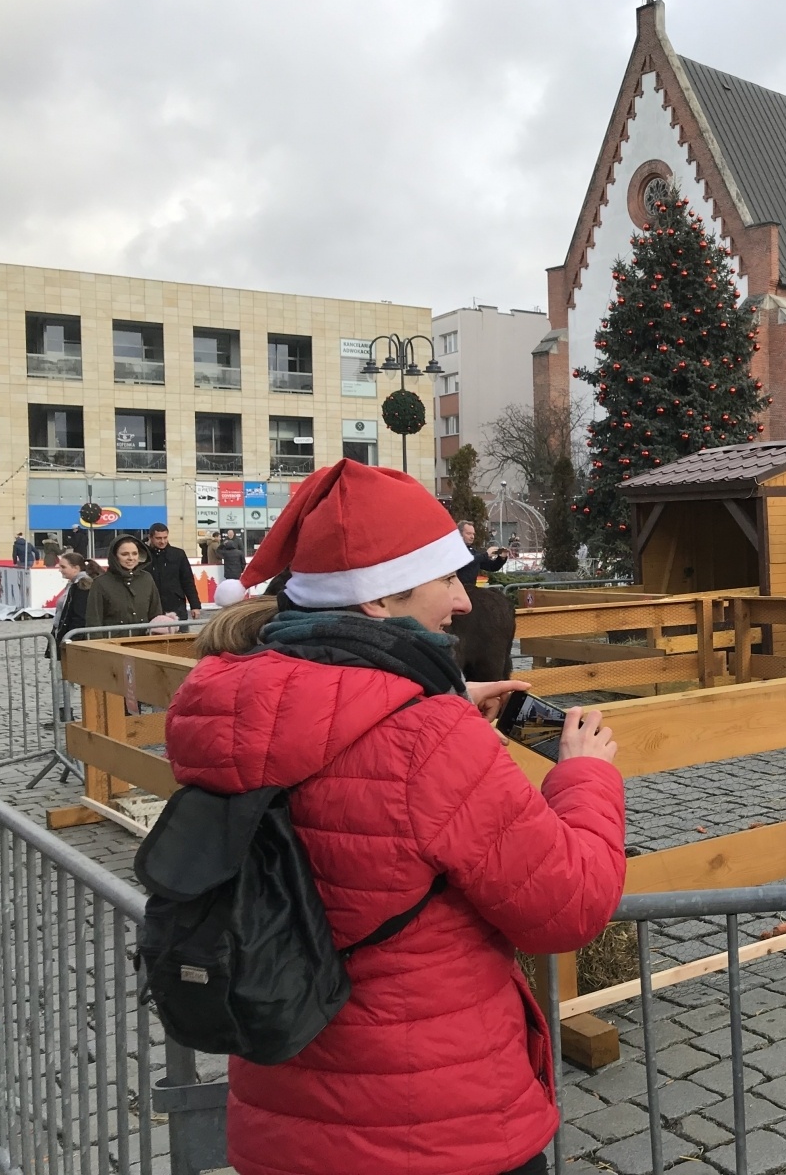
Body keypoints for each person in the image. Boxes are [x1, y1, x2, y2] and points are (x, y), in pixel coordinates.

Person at [168, 459, 626, 1175]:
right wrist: (585, 778)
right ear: (379, 601)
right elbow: (568, 907)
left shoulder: (228, 706)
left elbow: (339, 744)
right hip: (436, 1125)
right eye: (446, 578)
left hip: (288, 1118)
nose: (465, 602)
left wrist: (430, 707)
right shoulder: (430, 739)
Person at [86, 535, 161, 628]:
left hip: (143, 640)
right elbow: (94, 620)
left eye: (135, 553)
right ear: (115, 556)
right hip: (112, 640)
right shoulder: (101, 583)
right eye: (125, 554)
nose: (131, 558)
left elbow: (156, 614)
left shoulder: (146, 578)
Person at [145, 522, 203, 620]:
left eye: (165, 537)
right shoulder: (143, 556)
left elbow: (188, 581)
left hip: (176, 605)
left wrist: (195, 605)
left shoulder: (178, 554)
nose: (162, 541)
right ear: (150, 537)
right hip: (150, 606)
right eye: (158, 538)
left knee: (180, 634)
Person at [52, 551, 102, 647]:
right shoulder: (73, 584)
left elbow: (79, 616)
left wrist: (72, 639)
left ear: (76, 568)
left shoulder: (82, 585)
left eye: (63, 567)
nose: (60, 570)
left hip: (73, 637)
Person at [456, 520, 510, 585]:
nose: (472, 537)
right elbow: (467, 560)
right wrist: (486, 555)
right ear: (459, 534)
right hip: (457, 590)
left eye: (473, 534)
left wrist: (501, 558)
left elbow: (491, 567)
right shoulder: (454, 549)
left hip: (471, 589)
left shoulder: (472, 551)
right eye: (468, 533)